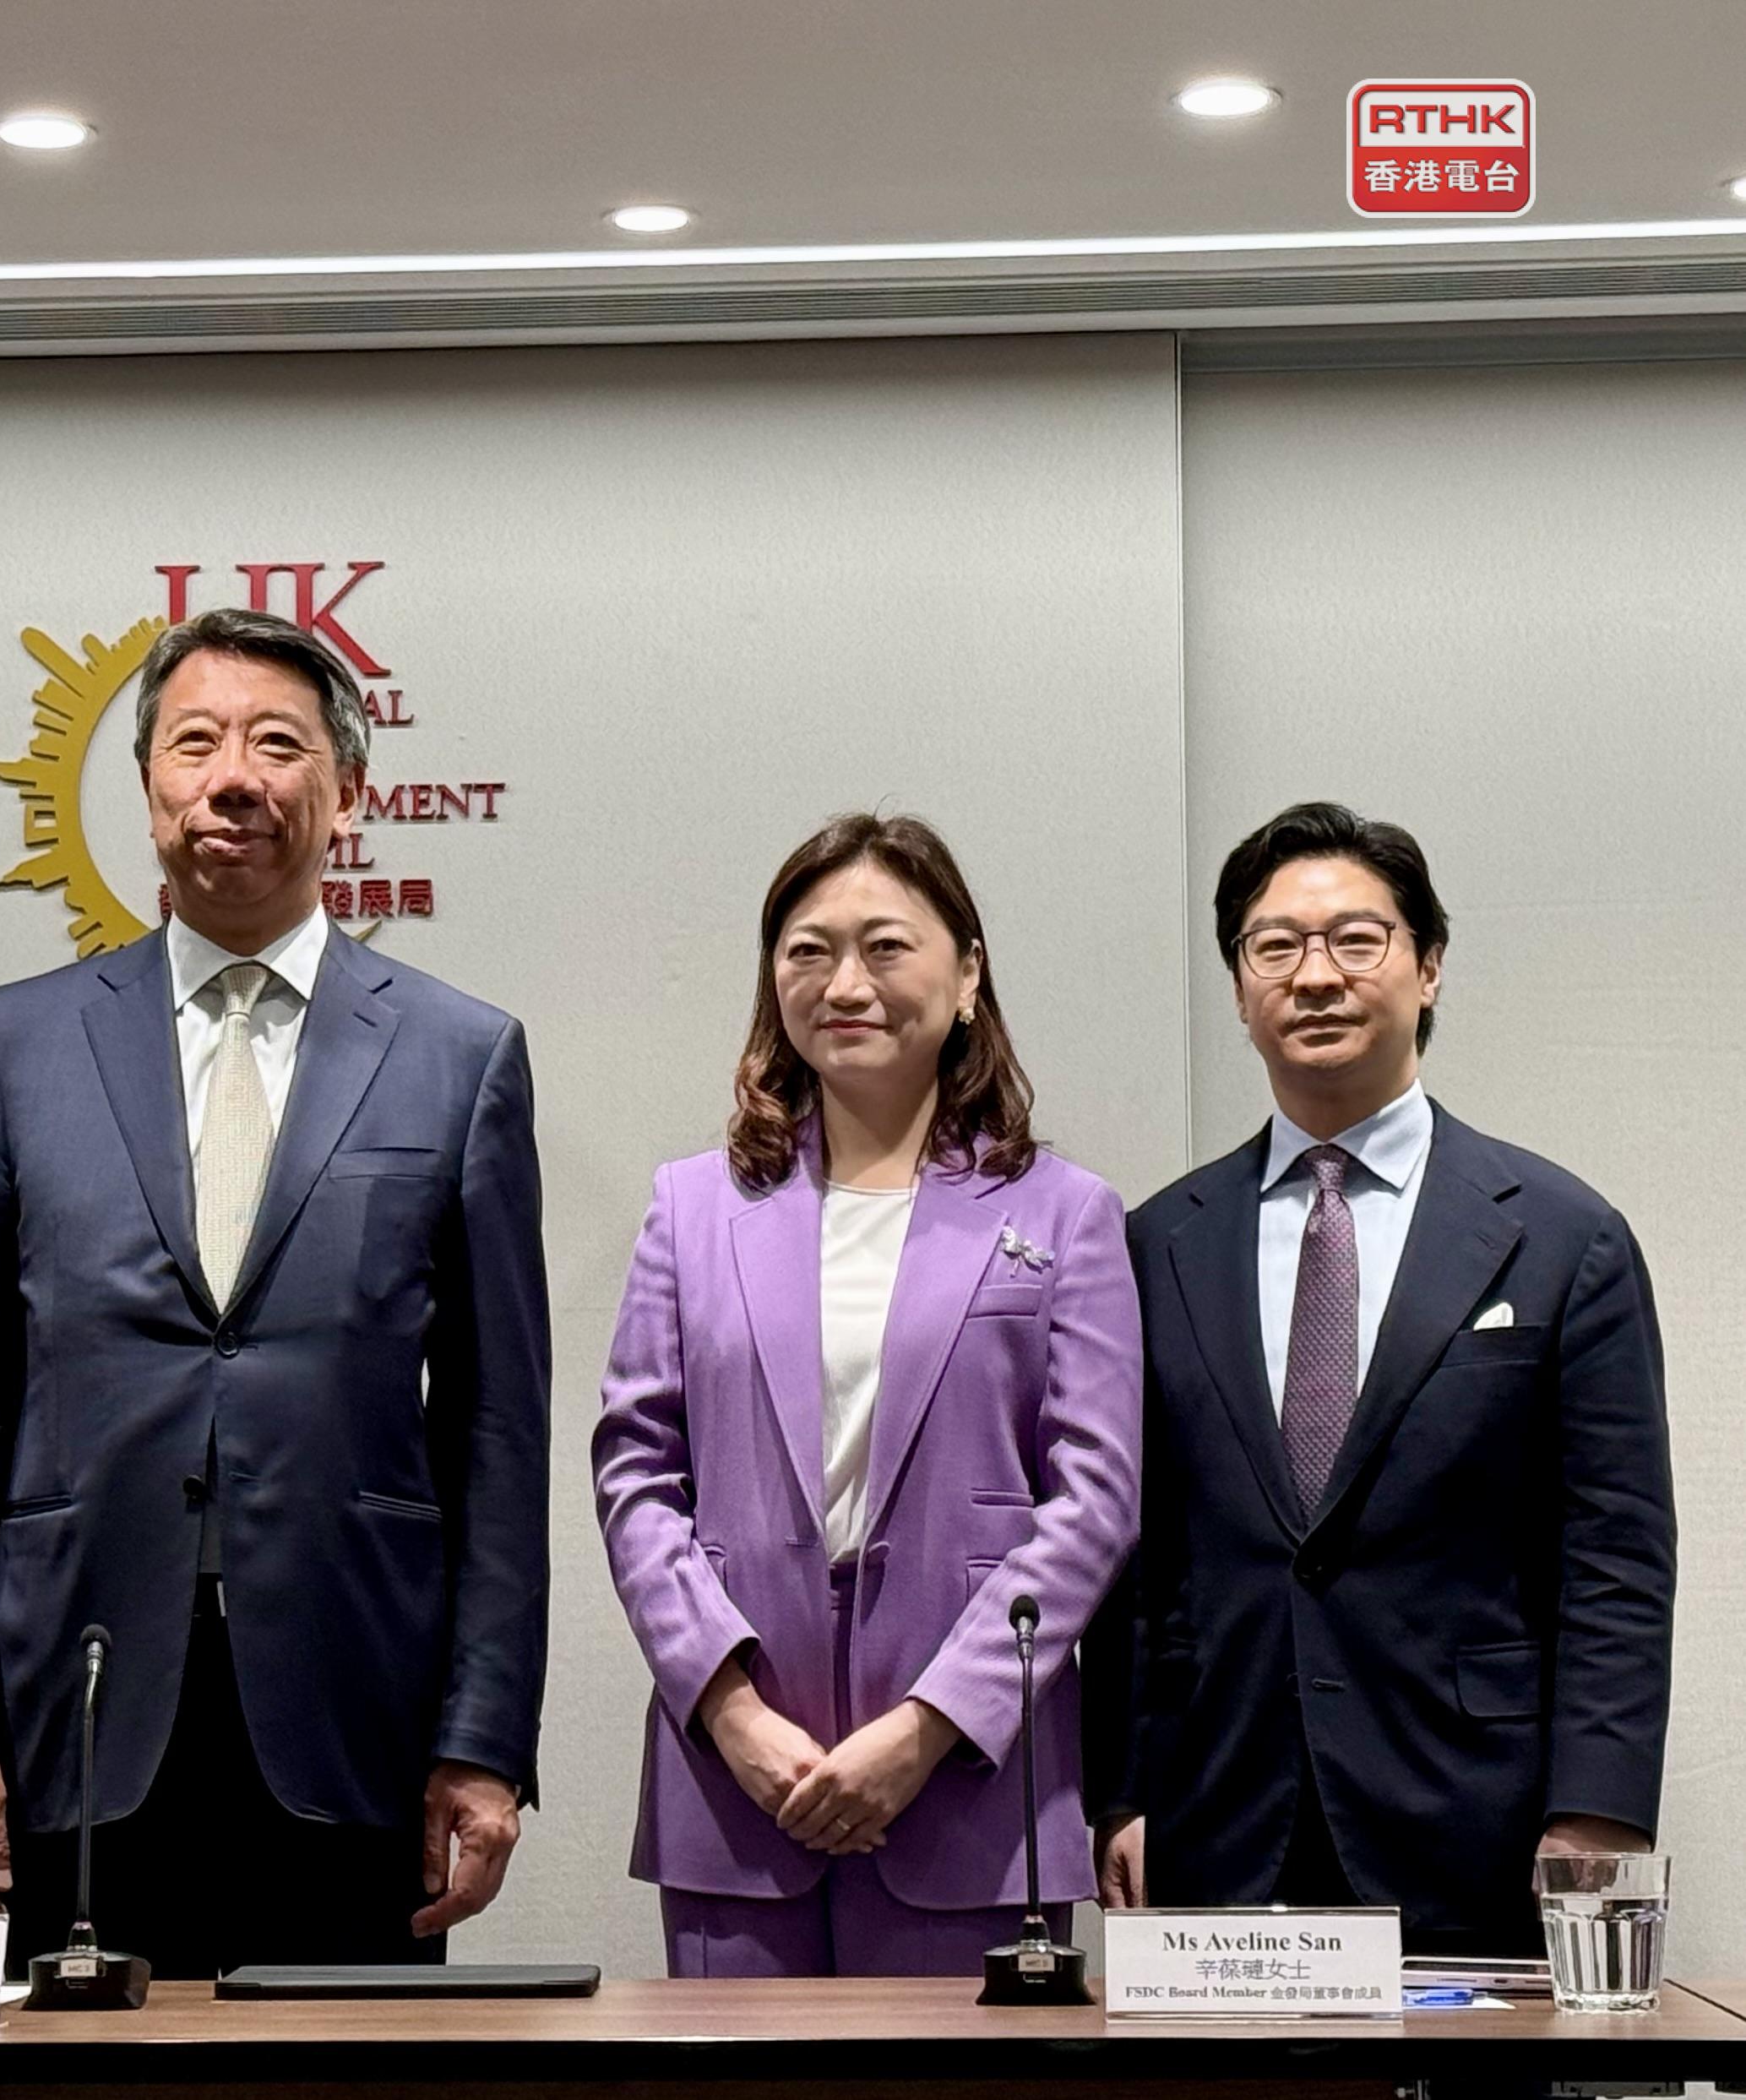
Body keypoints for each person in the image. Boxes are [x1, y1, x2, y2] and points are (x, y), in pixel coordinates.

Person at [0, 607, 549, 1979]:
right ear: (146, 789)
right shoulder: (14, 1045)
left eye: (277, 744)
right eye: (195, 742)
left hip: (355, 1722)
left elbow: (496, 1432)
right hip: (78, 1710)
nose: (233, 776)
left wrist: (483, 1739)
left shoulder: (459, 1054)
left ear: (347, 792)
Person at [1092, 802, 1675, 1954]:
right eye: (1275, 946)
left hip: (1481, 1820)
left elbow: (1616, 1555)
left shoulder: (1564, 1238)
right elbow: (1133, 1557)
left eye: (1357, 940)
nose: (1315, 976)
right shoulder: (1156, 1244)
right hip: (1218, 1817)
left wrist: (1597, 1811)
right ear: (1240, 988)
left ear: (1429, 966)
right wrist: (1121, 1788)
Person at [593, 813, 1139, 1978]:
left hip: (975, 1786)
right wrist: (732, 1711)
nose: (846, 984)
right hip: (743, 1784)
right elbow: (636, 1473)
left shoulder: (1063, 1212)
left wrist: (930, 1726)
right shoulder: (693, 1208)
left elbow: (1094, 1502)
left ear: (968, 974)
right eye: (809, 950)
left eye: (886, 946)